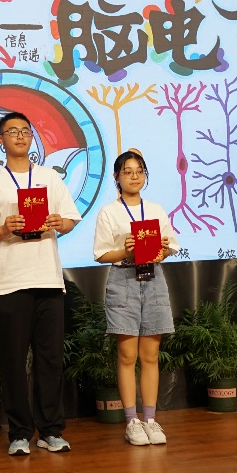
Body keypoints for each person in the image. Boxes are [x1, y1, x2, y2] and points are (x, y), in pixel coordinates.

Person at [0, 112, 81, 456]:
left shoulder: (49, 177)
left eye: (25, 131)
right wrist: (4, 229)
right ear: (0, 139)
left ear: (32, 136)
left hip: (48, 279)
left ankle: (51, 430)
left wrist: (59, 222)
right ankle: (19, 432)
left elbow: (70, 220)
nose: (19, 136)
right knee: (14, 361)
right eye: (12, 131)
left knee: (50, 360)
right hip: (9, 282)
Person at [91, 149, 178, 446]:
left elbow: (170, 247)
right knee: (127, 356)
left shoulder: (155, 209)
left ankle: (151, 420)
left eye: (139, 171)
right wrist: (126, 250)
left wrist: (161, 250)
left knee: (151, 355)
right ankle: (132, 421)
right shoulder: (109, 212)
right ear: (116, 177)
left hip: (153, 279)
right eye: (127, 172)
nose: (134, 176)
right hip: (123, 280)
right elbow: (102, 254)